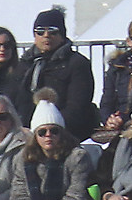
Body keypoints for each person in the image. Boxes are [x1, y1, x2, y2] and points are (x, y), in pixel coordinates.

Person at [13, 7, 96, 136]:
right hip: (26, 133)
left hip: (63, 132)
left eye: (52, 31)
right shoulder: (24, 64)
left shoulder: (77, 63)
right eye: (40, 31)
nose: (46, 35)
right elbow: (15, 100)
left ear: (62, 35)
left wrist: (49, 129)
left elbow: (77, 106)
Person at [9, 101, 87, 200]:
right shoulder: (22, 159)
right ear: (35, 136)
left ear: (62, 133)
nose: (48, 135)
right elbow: (18, 193)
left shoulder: (77, 157)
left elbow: (76, 198)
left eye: (54, 131)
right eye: (42, 132)